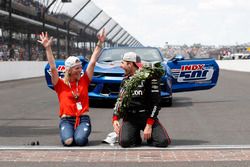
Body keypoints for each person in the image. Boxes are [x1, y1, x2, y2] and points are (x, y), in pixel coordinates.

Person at [38, 29, 106, 146]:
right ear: (69, 70)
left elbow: (93, 62)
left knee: (79, 141)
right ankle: (68, 134)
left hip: (83, 118)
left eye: (80, 67)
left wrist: (99, 44)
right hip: (67, 120)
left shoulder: (84, 80)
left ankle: (80, 133)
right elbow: (53, 68)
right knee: (69, 142)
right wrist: (48, 48)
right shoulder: (60, 84)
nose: (80, 70)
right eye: (77, 68)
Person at [112, 52, 171, 147]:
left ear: (130, 64)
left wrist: (149, 125)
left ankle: (149, 137)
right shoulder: (125, 80)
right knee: (124, 142)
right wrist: (115, 119)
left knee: (163, 142)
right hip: (130, 117)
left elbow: (156, 104)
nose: (120, 66)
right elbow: (120, 100)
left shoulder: (150, 78)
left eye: (122, 63)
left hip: (146, 116)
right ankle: (135, 136)